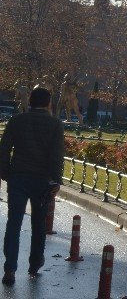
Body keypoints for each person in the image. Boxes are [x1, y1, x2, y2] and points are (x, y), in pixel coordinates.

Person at [0, 87, 64, 285]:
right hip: (43, 181)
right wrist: (56, 180)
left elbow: (4, 149)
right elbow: (56, 156)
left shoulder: (17, 120)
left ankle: (10, 268)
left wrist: (6, 173)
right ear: (48, 103)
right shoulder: (55, 124)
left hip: (18, 178)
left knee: (14, 224)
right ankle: (35, 263)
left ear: (30, 101)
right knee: (39, 224)